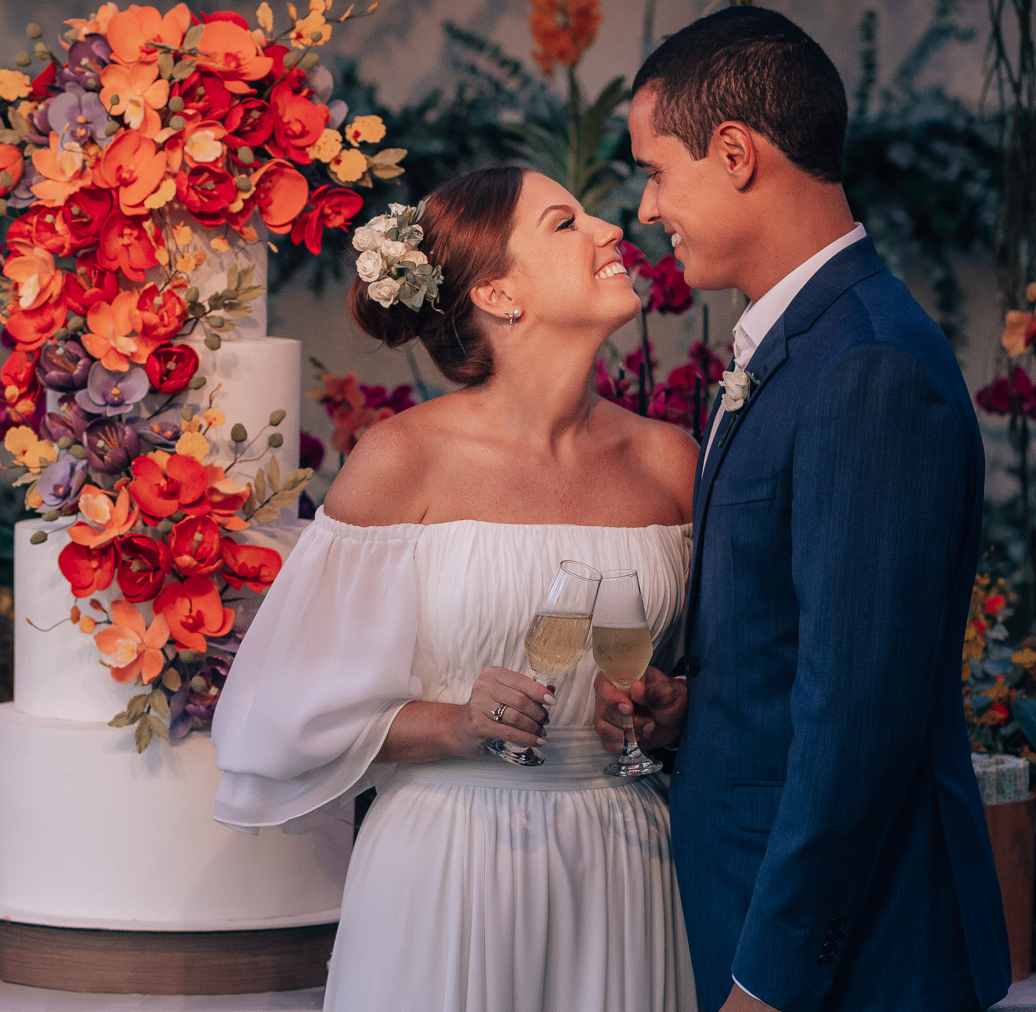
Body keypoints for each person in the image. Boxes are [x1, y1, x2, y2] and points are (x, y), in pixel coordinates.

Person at [593, 6, 1011, 1012]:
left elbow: (857, 719)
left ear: (734, 153)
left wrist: (768, 980)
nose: (648, 208)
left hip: (853, 958)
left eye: (656, 169)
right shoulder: (808, 345)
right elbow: (806, 650)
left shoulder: (865, 365)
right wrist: (705, 709)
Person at [213, 164, 701, 1012]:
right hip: (450, 862)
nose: (611, 230)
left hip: (628, 854)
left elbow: (735, 665)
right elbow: (285, 712)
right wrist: (458, 722)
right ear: (500, 291)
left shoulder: (672, 462)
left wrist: (675, 707)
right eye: (565, 223)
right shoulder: (402, 462)